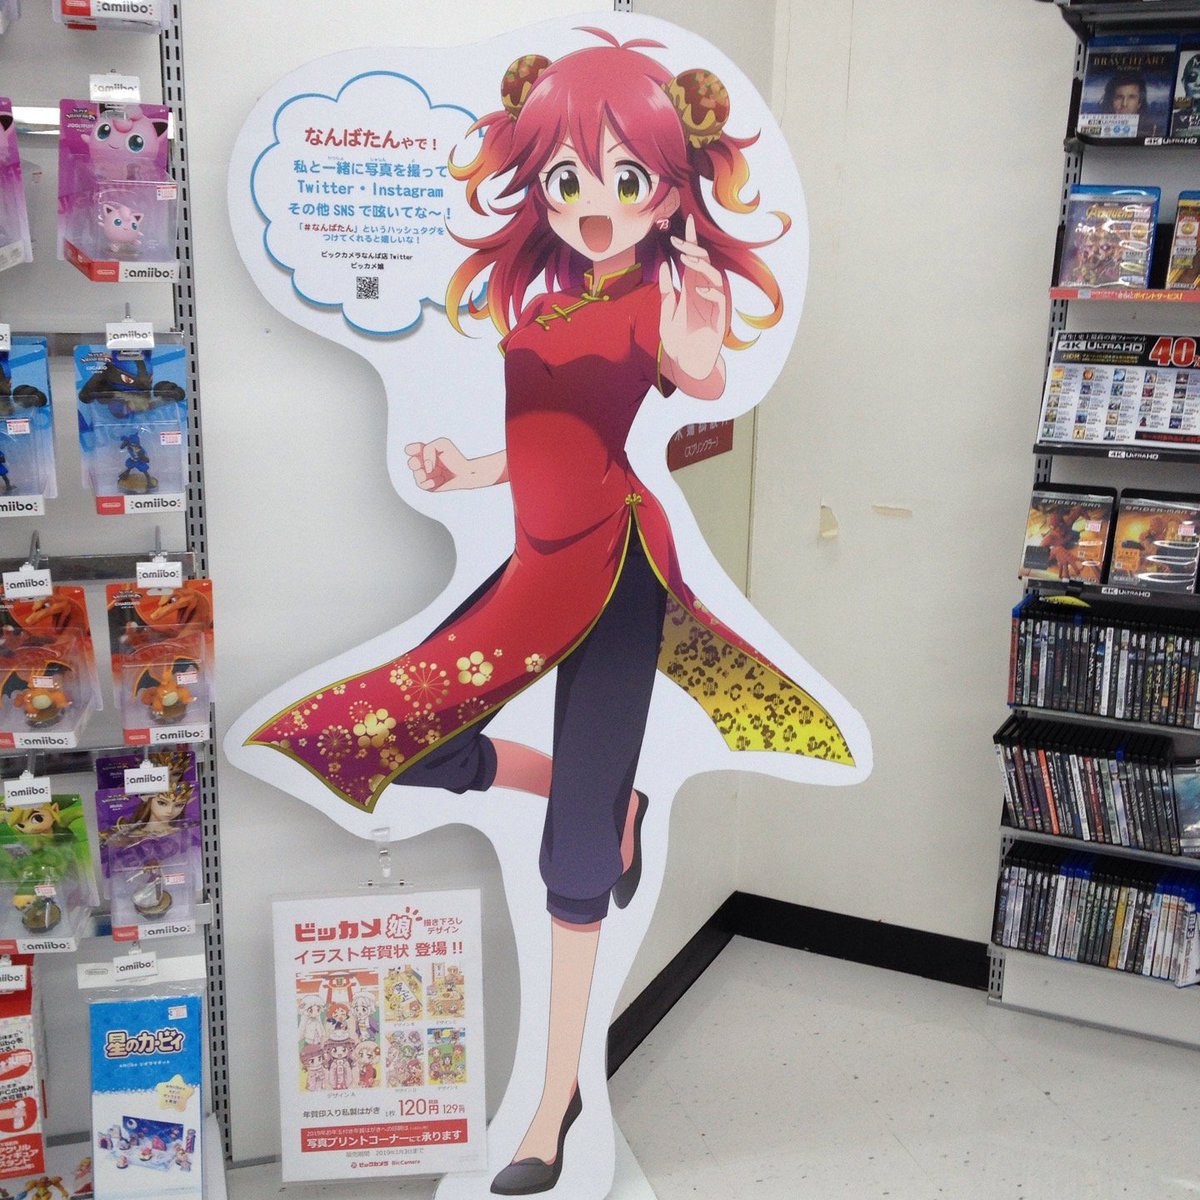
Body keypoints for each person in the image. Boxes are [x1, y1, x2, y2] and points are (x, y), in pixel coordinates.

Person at [247, 28, 858, 1195]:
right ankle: (605, 798)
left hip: (617, 563)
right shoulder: (540, 301)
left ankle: (553, 1102)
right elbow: (543, 439)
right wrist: (465, 467)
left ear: (667, 190)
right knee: (394, 734)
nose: (593, 205)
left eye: (626, 178)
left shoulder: (664, 297)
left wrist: (697, 316)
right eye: (570, 178)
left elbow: (700, 375)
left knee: (573, 856)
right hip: (537, 559)